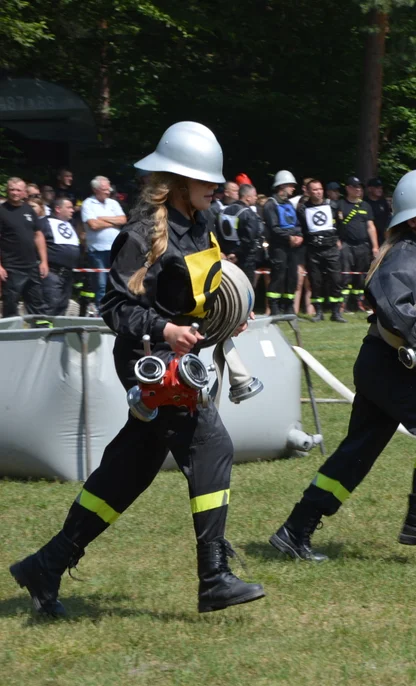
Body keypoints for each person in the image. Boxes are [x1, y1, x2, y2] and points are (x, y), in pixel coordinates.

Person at [9, 121, 265, 617]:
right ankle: (213, 577)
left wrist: (228, 312)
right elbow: (114, 308)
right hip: (150, 362)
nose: (216, 186)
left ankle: (48, 564)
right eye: (206, 179)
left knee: (130, 469)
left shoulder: (200, 224)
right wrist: (166, 331)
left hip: (182, 358)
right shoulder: (141, 233)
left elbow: (199, 290)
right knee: (213, 445)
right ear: (178, 180)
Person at [269, 170, 416, 560]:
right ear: (415, 220)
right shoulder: (405, 254)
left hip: (380, 365)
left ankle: (294, 531)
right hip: (390, 366)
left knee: (357, 453)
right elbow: (395, 307)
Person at [298, 179, 345, 323]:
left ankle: (336, 312)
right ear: (308, 191)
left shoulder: (333, 205)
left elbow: (341, 226)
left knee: (336, 279)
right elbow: (301, 228)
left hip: (331, 248)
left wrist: (338, 239)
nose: (318, 192)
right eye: (314, 190)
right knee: (315, 281)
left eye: (320, 189)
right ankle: (318, 311)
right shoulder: (303, 208)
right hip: (313, 249)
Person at [0, 177, 49, 317]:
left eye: (18, 190)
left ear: (24, 193)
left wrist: (44, 261)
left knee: (37, 302)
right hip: (11, 267)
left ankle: (41, 333)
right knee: (10, 303)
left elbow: (38, 235)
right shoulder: (2, 211)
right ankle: (10, 336)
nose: (15, 193)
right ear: (7, 191)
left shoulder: (29, 209)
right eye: (12, 189)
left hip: (32, 266)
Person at [81, 175, 128, 312]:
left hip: (115, 249)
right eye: (104, 189)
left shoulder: (113, 203)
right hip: (97, 250)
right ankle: (102, 312)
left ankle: (116, 310)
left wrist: (102, 218)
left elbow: (123, 220)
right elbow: (93, 225)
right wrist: (113, 221)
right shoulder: (88, 204)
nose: (108, 192)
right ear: (96, 190)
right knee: (101, 284)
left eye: (109, 189)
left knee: (116, 281)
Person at [263, 170, 303, 314]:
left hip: (292, 247)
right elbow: (273, 228)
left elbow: (296, 223)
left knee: (292, 275)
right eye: (291, 186)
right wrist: (289, 237)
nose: (293, 188)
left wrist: (299, 236)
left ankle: (289, 305)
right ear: (282, 186)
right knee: (278, 275)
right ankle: (274, 306)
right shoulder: (270, 204)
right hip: (278, 247)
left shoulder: (289, 204)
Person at [337, 176, 379, 312]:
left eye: (360, 187)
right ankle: (343, 304)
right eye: (355, 187)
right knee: (346, 274)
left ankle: (358, 303)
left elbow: (370, 227)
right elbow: (335, 226)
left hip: (363, 245)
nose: (358, 189)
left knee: (361, 276)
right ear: (348, 188)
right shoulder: (340, 204)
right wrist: (337, 241)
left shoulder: (365, 206)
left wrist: (375, 246)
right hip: (346, 245)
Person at [40, 197, 81, 315]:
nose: (72, 210)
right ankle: (43, 331)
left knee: (62, 306)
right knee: (50, 305)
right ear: (58, 209)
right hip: (52, 272)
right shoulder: (44, 223)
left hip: (67, 274)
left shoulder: (69, 224)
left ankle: (57, 333)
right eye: (68, 207)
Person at [221, 183, 264, 284]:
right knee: (246, 290)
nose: (256, 198)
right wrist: (236, 254)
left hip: (226, 257)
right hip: (244, 259)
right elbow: (250, 238)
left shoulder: (223, 211)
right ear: (248, 198)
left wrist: (228, 252)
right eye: (254, 195)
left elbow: (219, 234)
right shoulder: (249, 213)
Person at [366, 178, 393, 248]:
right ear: (369, 189)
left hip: (382, 237)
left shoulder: (383, 202)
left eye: (381, 188)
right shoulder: (364, 203)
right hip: (368, 238)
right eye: (377, 188)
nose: (380, 190)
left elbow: (388, 219)